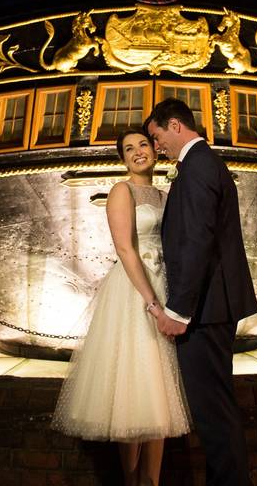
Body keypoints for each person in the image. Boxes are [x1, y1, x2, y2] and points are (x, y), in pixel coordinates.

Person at [52, 128, 190, 486]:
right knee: (133, 384)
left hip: (164, 287)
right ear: (123, 158)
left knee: (159, 389)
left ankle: (152, 481)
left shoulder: (163, 194)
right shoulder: (121, 191)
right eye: (129, 149)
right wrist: (151, 303)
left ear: (154, 150)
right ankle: (131, 481)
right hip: (135, 293)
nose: (137, 152)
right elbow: (126, 249)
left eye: (142, 144)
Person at [145, 98, 257, 486]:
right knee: (217, 412)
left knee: (213, 416)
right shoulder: (202, 164)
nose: (156, 146)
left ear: (175, 125)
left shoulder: (196, 168)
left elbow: (195, 242)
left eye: (156, 137)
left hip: (206, 310)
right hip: (214, 306)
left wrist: (178, 313)